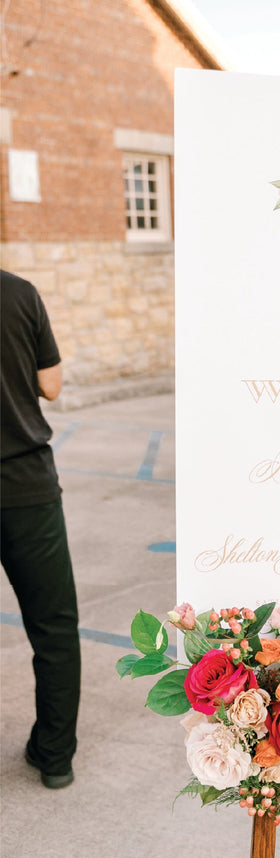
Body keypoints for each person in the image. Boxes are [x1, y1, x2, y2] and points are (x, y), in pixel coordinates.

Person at [0, 270, 80, 788]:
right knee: (52, 627)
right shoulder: (19, 293)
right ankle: (53, 756)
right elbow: (49, 385)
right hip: (24, 485)